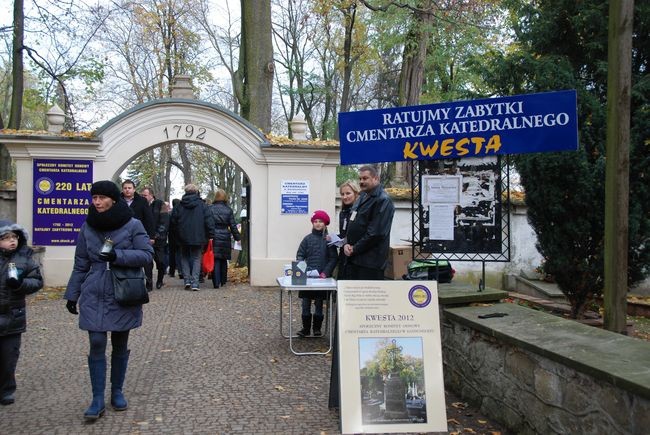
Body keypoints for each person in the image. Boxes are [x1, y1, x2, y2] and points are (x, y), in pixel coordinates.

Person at [65, 180, 154, 421]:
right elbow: (80, 263)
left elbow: (147, 255)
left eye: (102, 197)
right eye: (94, 197)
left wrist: (117, 256)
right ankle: (96, 398)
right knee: (95, 341)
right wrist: (72, 294)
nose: (97, 201)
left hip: (123, 290)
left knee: (120, 343)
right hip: (94, 290)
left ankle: (117, 391)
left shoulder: (132, 224)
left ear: (113, 199)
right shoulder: (88, 226)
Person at [0, 220, 43, 406]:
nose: (11, 241)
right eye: (6, 238)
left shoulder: (24, 259)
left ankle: (6, 389)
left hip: (13, 316)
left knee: (9, 356)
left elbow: (36, 281)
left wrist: (20, 285)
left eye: (14, 237)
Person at [342, 165, 395, 280]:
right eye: (360, 179)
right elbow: (352, 223)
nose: (361, 181)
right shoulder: (362, 196)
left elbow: (375, 233)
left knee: (368, 297)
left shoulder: (383, 200)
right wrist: (346, 243)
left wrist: (354, 248)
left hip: (370, 263)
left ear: (376, 179)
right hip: (354, 259)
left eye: (365, 178)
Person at [295, 210, 337, 337]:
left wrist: (325, 272)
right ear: (312, 223)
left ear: (325, 224)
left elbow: (334, 258)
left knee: (319, 304)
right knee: (305, 303)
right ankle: (306, 328)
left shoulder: (329, 240)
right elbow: (300, 255)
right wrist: (302, 270)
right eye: (315, 221)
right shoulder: (307, 239)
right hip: (308, 278)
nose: (318, 224)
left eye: (321, 221)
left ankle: (317, 329)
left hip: (322, 279)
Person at [170, 184, 214, 291]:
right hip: (198, 236)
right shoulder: (203, 206)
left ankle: (187, 280)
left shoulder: (179, 206)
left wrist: (176, 235)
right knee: (196, 258)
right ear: (196, 191)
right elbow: (209, 221)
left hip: (182, 236)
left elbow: (173, 223)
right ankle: (195, 283)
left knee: (184, 257)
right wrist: (211, 234)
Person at [121, 180, 155, 290]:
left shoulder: (142, 201)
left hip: (140, 233)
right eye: (125, 188)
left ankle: (148, 281)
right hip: (122, 234)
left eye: (129, 188)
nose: (127, 190)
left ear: (134, 189)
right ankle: (128, 281)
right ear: (122, 189)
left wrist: (151, 236)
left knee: (145, 258)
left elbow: (149, 218)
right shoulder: (117, 200)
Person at [207, 189, 241, 289]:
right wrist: (237, 237)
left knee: (215, 259)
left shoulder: (210, 209)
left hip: (214, 236)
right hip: (225, 235)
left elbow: (207, 223)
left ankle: (216, 282)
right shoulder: (228, 210)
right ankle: (223, 280)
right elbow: (233, 225)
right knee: (223, 259)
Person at [141, 187, 169, 289]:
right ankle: (149, 283)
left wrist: (156, 235)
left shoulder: (160, 204)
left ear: (151, 195)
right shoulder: (141, 205)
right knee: (147, 263)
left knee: (160, 261)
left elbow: (165, 222)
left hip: (159, 239)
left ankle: (160, 279)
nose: (143, 197)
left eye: (145, 195)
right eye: (142, 195)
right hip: (145, 239)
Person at [336, 179, 361, 280]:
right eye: (342, 194)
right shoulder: (343, 212)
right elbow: (344, 233)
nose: (344, 197)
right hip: (343, 254)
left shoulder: (360, 210)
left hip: (355, 254)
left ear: (356, 193)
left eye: (348, 193)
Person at [167, 198, 182, 279]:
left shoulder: (170, 213)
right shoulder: (180, 213)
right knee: (179, 253)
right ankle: (180, 271)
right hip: (179, 236)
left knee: (172, 254)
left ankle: (172, 271)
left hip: (171, 236)